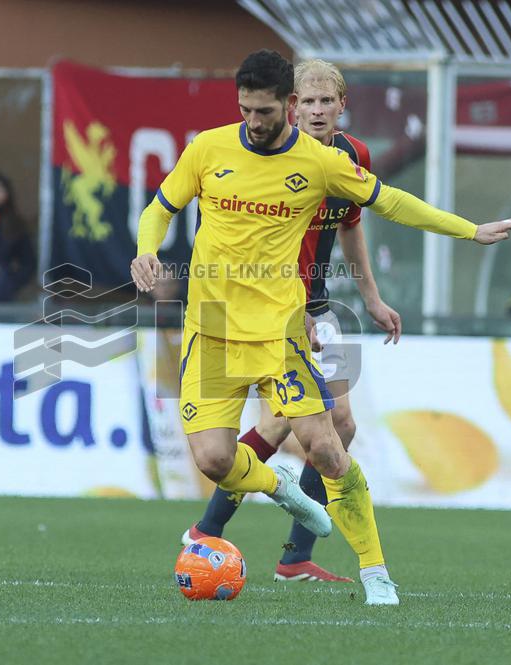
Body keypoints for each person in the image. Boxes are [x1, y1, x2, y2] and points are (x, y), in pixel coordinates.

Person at [130, 50, 511, 605]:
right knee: (215, 461)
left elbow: (391, 202)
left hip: (280, 330)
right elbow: (159, 207)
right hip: (213, 326)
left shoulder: (319, 163)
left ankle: (375, 573)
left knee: (331, 444)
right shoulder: (207, 148)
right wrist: (147, 249)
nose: (253, 121)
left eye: (264, 110)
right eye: (244, 109)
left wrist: (469, 230)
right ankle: (283, 490)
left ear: (288, 107)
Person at [181, 59, 402, 585]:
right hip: (275, 310)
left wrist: (371, 295)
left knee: (336, 426)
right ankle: (213, 531)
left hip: (322, 305)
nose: (317, 110)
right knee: (297, 424)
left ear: (342, 105)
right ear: (290, 106)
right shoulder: (265, 159)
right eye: (307, 101)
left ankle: (286, 553)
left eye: (327, 101)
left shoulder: (351, 157)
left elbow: (352, 226)